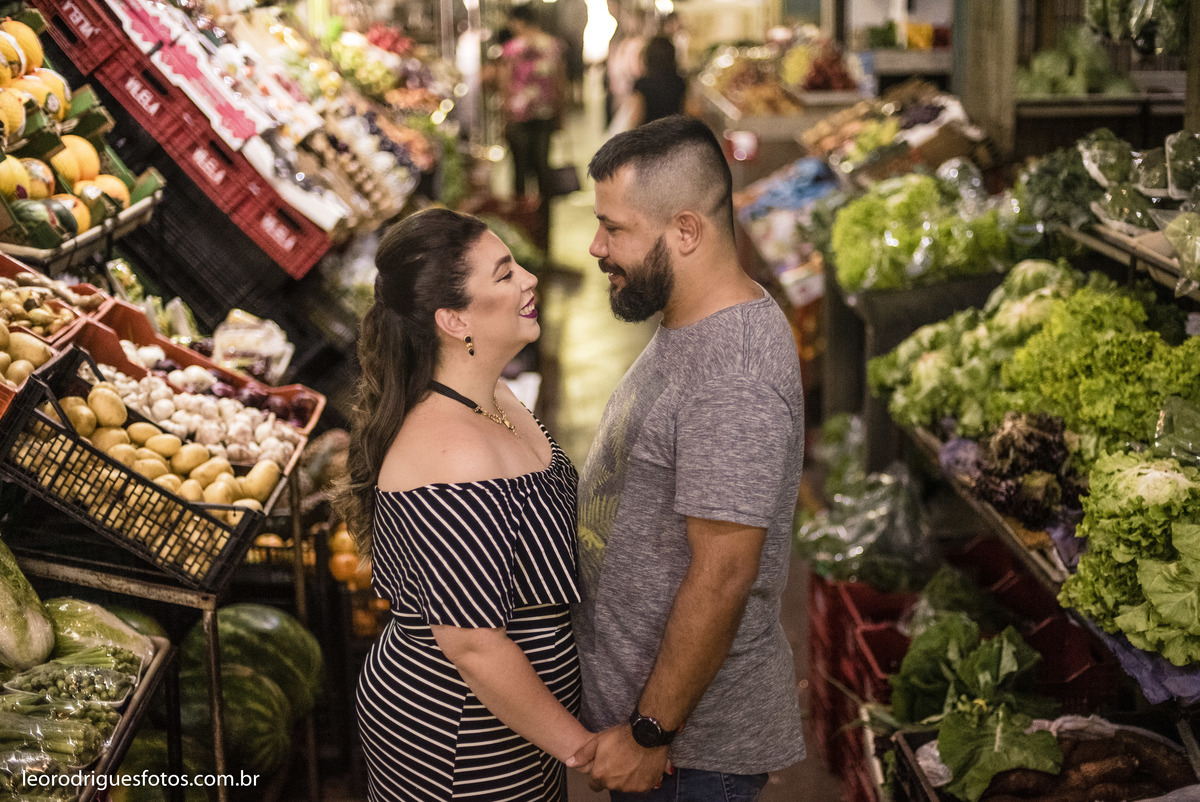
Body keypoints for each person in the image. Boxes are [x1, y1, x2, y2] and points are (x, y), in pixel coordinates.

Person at [571, 116, 807, 799]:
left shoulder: (734, 375)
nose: (596, 247)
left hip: (689, 759)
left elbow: (724, 574)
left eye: (614, 228)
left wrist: (650, 732)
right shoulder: (691, 325)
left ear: (684, 231)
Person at [337, 208, 596, 801]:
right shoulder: (452, 454)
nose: (530, 279)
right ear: (454, 319)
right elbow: (474, 646)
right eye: (505, 274)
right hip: (458, 740)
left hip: (512, 732)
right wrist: (582, 749)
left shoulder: (493, 395)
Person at [499, 5, 566, 201]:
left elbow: (505, 83)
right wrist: (561, 114)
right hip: (546, 113)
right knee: (543, 167)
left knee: (519, 170)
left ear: (519, 22)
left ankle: (522, 214)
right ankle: (544, 216)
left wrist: (504, 116)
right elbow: (560, 82)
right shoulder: (553, 45)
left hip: (518, 116)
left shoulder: (512, 48)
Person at [628, 36, 688, 127]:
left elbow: (637, 117)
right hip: (674, 131)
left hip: (650, 132)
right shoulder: (680, 82)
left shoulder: (642, 84)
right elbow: (686, 111)